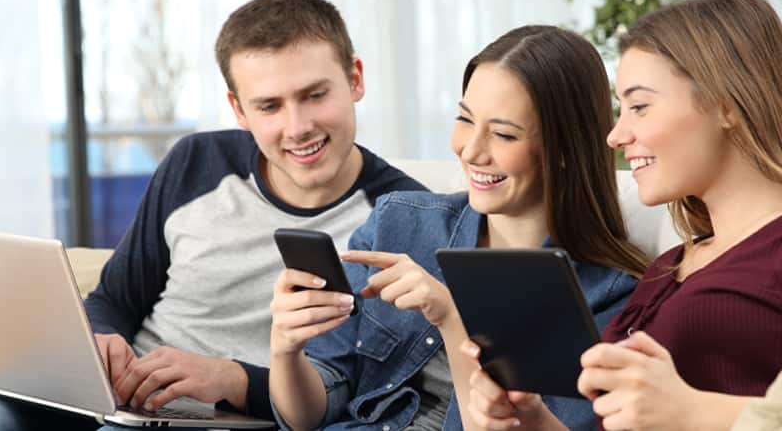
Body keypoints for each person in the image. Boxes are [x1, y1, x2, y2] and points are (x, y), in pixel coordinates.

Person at [0, 0, 425, 430]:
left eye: (314, 95)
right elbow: (115, 297)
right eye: (269, 106)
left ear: (355, 80)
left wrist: (230, 378)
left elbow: (357, 388)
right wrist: (104, 340)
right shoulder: (197, 161)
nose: (297, 127)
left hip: (226, 417)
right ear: (239, 109)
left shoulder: (407, 217)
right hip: (119, 400)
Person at [268, 25, 649, 430]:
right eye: (465, 119)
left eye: (503, 134)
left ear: (563, 152)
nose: (470, 150)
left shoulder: (609, 296)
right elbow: (310, 414)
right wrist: (285, 351)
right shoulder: (398, 223)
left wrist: (450, 316)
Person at [465, 0, 782, 430]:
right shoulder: (669, 266)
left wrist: (693, 413)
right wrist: (532, 420)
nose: (615, 136)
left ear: (725, 104)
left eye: (639, 107)